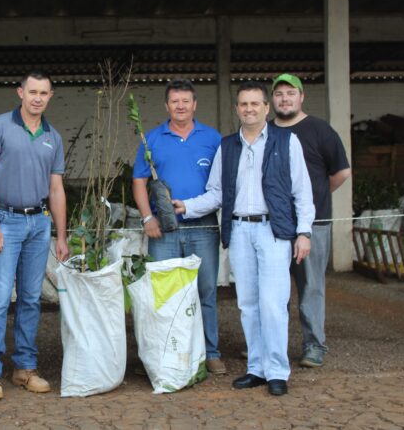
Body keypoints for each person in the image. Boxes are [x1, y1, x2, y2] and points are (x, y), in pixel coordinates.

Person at [173, 81, 315, 396]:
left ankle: (277, 371)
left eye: (255, 104)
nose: (249, 109)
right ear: (237, 109)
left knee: (273, 303)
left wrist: (303, 232)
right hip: (239, 231)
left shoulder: (286, 141)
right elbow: (217, 194)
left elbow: (302, 192)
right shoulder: (228, 146)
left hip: (274, 231)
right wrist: (187, 207)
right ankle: (257, 368)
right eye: (243, 104)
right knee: (248, 303)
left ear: (267, 107)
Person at [0, 70, 69, 400]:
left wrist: (61, 235)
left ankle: (24, 369)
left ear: (50, 96)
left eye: (44, 93)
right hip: (5, 220)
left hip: (39, 223)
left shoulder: (52, 137)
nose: (38, 98)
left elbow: (56, 189)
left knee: (31, 299)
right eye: (32, 92)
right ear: (20, 92)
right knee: (0, 298)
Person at [132, 78, 226, 375]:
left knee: (206, 290)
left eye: (186, 101)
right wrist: (148, 218)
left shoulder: (213, 139)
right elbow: (138, 181)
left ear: (195, 104)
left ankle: (210, 352)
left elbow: (222, 184)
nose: (181, 106)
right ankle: (167, 352)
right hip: (165, 230)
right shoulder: (152, 139)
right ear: (167, 106)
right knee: (165, 292)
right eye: (175, 101)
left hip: (204, 228)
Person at [271, 73, 351, 368]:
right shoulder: (267, 132)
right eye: (279, 94)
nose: (285, 99)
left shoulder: (320, 130)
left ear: (301, 97)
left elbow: (341, 172)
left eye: (290, 93)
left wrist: (314, 196)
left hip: (314, 224)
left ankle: (314, 345)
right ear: (272, 100)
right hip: (276, 224)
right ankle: (272, 342)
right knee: (273, 287)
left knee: (311, 286)